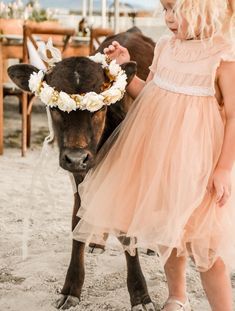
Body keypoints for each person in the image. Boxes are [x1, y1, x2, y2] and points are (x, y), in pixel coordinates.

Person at [73, 0, 235, 310]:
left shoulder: (224, 54)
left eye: (177, 9)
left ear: (206, 8)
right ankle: (177, 295)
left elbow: (233, 116)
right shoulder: (165, 46)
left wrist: (224, 168)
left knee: (205, 245)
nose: (169, 18)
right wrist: (124, 69)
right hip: (160, 155)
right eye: (165, 10)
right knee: (168, 232)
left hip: (199, 161)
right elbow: (151, 94)